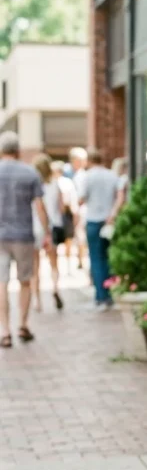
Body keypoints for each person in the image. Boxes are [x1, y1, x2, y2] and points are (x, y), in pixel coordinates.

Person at [0, 131, 50, 346]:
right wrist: (47, 233)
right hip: (23, 235)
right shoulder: (30, 173)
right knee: (25, 281)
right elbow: (39, 206)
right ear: (18, 150)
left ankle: (4, 330)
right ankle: (23, 324)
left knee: (1, 282)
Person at [79, 149, 118, 310]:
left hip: (94, 221)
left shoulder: (87, 177)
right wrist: (113, 213)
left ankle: (100, 295)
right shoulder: (112, 175)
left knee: (96, 258)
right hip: (109, 221)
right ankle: (109, 293)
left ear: (89, 160)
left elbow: (81, 199)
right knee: (109, 257)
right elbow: (121, 195)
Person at [33, 154, 64, 311]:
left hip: (35, 228)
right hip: (53, 227)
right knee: (54, 263)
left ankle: (37, 300)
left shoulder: (32, 186)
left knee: (35, 266)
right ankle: (55, 289)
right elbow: (61, 207)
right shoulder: (55, 184)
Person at [51, 161, 79, 272]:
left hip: (63, 214)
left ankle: (64, 267)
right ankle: (63, 267)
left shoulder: (65, 182)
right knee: (66, 240)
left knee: (67, 240)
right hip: (62, 214)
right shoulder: (54, 182)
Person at [69, 147, 88, 269]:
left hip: (82, 211)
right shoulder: (80, 175)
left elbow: (80, 197)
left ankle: (83, 262)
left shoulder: (80, 176)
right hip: (83, 211)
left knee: (81, 238)